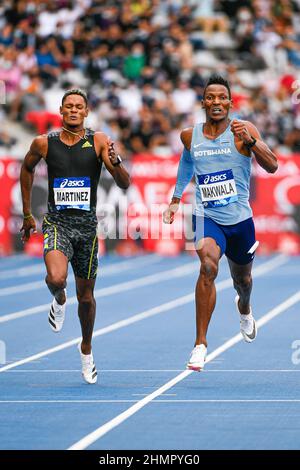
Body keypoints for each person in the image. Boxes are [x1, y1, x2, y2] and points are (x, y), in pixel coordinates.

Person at [163, 75, 278, 371]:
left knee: (244, 281)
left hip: (240, 220)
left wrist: (251, 141)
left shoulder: (243, 130)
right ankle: (200, 344)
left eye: (221, 97)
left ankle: (244, 307)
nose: (216, 102)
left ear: (230, 102)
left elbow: (272, 165)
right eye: (210, 97)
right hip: (205, 215)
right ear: (203, 103)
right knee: (208, 267)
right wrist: (176, 199)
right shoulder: (190, 136)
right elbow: (187, 163)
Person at [20, 88, 130, 384]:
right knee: (56, 278)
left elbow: (124, 184)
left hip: (87, 228)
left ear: (85, 112)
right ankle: (58, 297)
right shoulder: (44, 143)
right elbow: (26, 170)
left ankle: (86, 349)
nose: (73, 110)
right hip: (56, 223)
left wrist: (116, 161)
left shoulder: (99, 141)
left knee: (86, 298)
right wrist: (28, 213)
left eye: (78, 107)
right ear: (60, 110)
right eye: (68, 106)